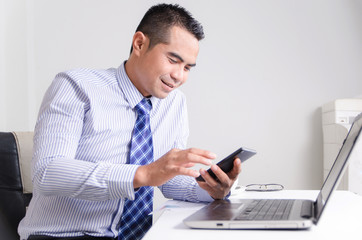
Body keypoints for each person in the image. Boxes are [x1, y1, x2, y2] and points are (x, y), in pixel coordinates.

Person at [18, 3, 242, 240]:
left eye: (187, 67)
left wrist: (211, 190)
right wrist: (141, 174)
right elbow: (48, 172)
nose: (179, 76)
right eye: (173, 60)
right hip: (64, 235)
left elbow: (168, 180)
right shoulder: (75, 86)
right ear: (139, 44)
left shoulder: (175, 104)